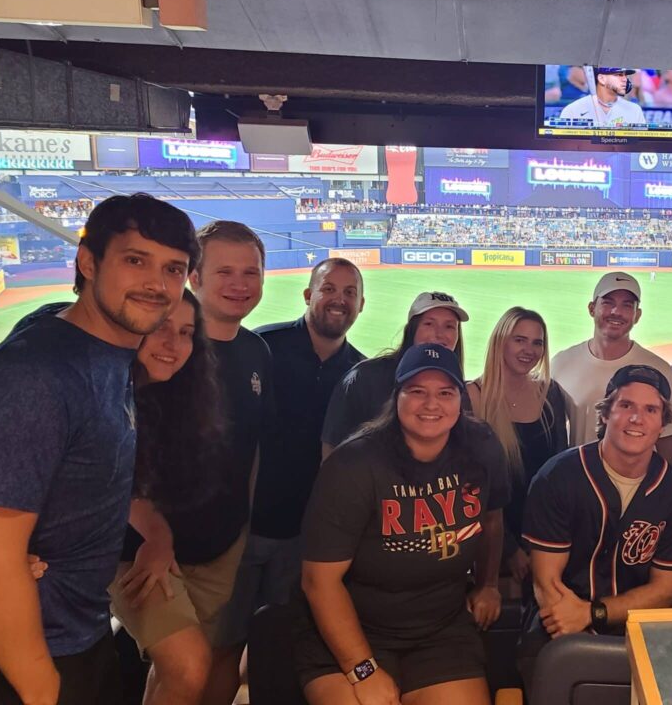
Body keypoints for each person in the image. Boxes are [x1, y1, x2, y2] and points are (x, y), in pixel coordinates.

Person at [0, 194, 197, 705]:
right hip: (29, 657)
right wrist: (42, 689)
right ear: (87, 262)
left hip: (80, 632)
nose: (156, 284)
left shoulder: (109, 355)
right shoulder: (37, 372)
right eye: (135, 260)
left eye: (172, 269)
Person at [294, 343, 507, 705]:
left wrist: (488, 583)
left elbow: (492, 518)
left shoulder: (481, 447)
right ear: (396, 397)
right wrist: (363, 669)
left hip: (440, 630)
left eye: (445, 392)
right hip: (350, 630)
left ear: (460, 398)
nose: (431, 404)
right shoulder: (354, 465)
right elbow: (319, 581)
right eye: (416, 391)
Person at [519, 365, 672, 688]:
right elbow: (547, 583)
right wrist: (576, 628)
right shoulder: (558, 476)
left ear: (662, 424)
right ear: (605, 414)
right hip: (557, 624)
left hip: (636, 630)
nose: (636, 418)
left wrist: (593, 614)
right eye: (625, 405)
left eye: (650, 409)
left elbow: (664, 589)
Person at [108, 290, 238, 705]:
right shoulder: (105, 390)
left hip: (194, 553)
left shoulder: (190, 390)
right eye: (161, 328)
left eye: (186, 332)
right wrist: (158, 538)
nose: (174, 344)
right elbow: (114, 481)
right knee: (188, 665)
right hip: (134, 555)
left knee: (175, 672)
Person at [241, 258, 367, 635]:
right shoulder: (262, 347)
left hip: (308, 539)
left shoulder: (361, 373)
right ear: (309, 294)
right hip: (243, 530)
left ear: (361, 305)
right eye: (329, 288)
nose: (338, 299)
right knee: (219, 647)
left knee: (281, 644)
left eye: (350, 292)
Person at [188, 220, 276, 705]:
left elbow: (252, 447)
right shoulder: (164, 346)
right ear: (194, 277)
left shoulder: (255, 350)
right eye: (224, 271)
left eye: (251, 271)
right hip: (156, 547)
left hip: (224, 540)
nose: (240, 284)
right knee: (184, 664)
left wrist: (242, 525)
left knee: (212, 656)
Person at [466, 307, 568, 587]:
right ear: (500, 341)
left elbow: (560, 476)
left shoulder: (550, 393)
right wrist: (509, 549)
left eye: (538, 342)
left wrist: (544, 544)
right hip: (492, 545)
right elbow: (473, 486)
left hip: (547, 540)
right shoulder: (473, 397)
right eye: (519, 339)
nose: (529, 350)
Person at [551, 271, 672, 466]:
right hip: (578, 483)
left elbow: (670, 444)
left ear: (637, 315)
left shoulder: (659, 370)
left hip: (639, 486)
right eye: (608, 302)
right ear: (592, 308)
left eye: (627, 305)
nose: (617, 311)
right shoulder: (561, 363)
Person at [322, 290, 469, 457]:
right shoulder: (364, 378)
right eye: (429, 324)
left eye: (449, 326)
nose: (439, 334)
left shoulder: (457, 387)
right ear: (411, 330)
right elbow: (331, 447)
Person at [558, 67, 646, 128]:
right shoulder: (573, 110)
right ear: (601, 78)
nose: (625, 79)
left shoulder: (634, 110)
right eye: (618, 75)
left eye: (625, 75)